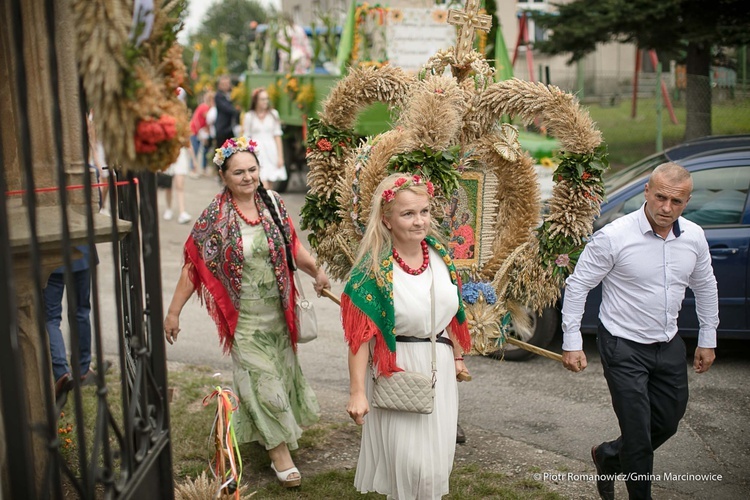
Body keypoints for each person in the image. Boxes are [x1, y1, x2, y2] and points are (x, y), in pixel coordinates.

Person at [163, 136, 330, 488]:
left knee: (279, 380)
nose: (247, 177)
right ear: (223, 176)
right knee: (263, 384)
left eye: (252, 169)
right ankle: (279, 455)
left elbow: (292, 245)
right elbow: (194, 267)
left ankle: (272, 435)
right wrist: (173, 312)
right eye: (238, 172)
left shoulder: (272, 202)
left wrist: (316, 271)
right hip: (245, 322)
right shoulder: (215, 217)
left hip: (279, 316)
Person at [560, 162, 718, 500]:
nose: (666, 208)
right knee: (638, 435)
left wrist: (708, 338)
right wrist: (572, 342)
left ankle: (609, 455)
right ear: (646, 192)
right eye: (660, 197)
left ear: (686, 202)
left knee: (668, 422)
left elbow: (705, 286)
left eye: (676, 201)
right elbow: (577, 287)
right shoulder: (614, 237)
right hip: (622, 345)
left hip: (668, 343)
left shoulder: (694, 237)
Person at [342, 173, 472, 499]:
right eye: (408, 214)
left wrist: (456, 358)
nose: (419, 222)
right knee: (410, 468)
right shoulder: (372, 270)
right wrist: (357, 393)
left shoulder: (441, 257)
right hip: (396, 370)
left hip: (436, 368)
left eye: (424, 212)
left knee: (435, 468)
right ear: (386, 220)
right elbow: (359, 339)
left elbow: (450, 313)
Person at [43, 245, 98, 406]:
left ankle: (62, 372)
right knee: (81, 311)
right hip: (81, 253)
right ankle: (82, 369)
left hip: (53, 257)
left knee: (51, 318)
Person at [243, 88, 286, 190]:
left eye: (266, 99)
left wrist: (280, 157)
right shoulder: (249, 116)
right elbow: (246, 137)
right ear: (256, 101)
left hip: (271, 151)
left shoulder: (273, 114)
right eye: (262, 99)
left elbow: (277, 136)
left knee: (270, 185)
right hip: (257, 152)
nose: (265, 101)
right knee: (262, 183)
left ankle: (268, 205)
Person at [189, 91, 214, 177]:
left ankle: (198, 169)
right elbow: (207, 120)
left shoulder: (206, 107)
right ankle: (193, 169)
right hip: (195, 132)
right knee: (195, 150)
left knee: (199, 150)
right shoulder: (204, 107)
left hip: (199, 132)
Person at [214, 75, 240, 155]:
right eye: (223, 84)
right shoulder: (218, 96)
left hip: (230, 128)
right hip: (222, 129)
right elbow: (228, 109)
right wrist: (237, 110)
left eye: (227, 84)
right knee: (222, 153)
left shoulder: (232, 94)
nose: (226, 86)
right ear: (219, 85)